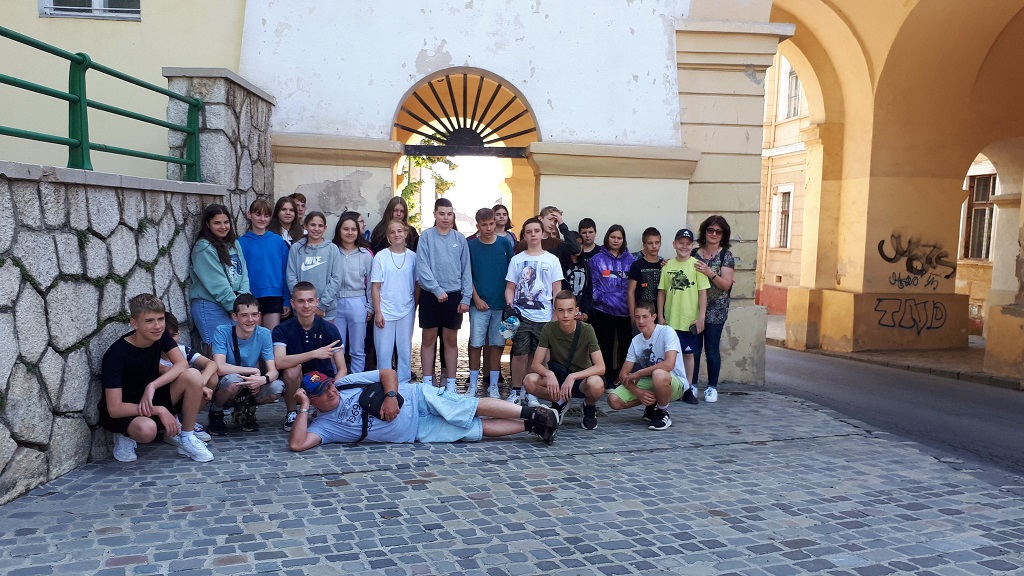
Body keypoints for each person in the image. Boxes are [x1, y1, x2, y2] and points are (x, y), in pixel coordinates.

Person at [287, 369, 560, 450]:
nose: (332, 391)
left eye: (330, 385)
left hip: (417, 397)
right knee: (474, 430)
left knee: (468, 408)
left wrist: (391, 396)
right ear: (312, 400)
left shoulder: (346, 383)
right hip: (416, 431)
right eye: (323, 392)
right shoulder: (324, 426)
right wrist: (303, 408)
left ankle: (533, 413)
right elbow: (298, 444)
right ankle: (535, 425)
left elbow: (387, 372)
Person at [99, 294, 214, 463]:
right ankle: (123, 434)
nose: (158, 326)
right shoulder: (116, 355)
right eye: (149, 321)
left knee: (193, 375)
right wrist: (159, 410)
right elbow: (114, 408)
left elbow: (182, 364)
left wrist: (152, 386)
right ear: (134, 323)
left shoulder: (160, 335)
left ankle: (187, 438)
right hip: (126, 410)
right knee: (147, 431)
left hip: (151, 398)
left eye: (161, 319)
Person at [523, 291, 605, 430]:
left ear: (576, 311)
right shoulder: (549, 328)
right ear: (555, 311)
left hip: (581, 380)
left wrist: (573, 377)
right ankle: (559, 401)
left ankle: (589, 406)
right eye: (561, 310)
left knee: (596, 384)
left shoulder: (587, 330)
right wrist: (549, 374)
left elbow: (600, 367)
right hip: (559, 378)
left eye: (569, 310)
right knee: (529, 381)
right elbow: (536, 364)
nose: (565, 315)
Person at [272, 282, 348, 431]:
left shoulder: (330, 329)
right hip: (295, 381)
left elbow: (342, 368)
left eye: (310, 300)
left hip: (323, 381)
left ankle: (320, 409)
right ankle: (292, 412)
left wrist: (333, 388)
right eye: (301, 301)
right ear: (293, 303)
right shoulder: (282, 329)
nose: (306, 305)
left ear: (317, 301)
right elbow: (279, 362)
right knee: (292, 369)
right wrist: (314, 354)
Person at [505, 217, 563, 407]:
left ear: (542, 233)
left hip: (544, 316)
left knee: (537, 357)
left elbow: (557, 290)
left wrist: (555, 314)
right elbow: (510, 287)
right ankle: (516, 390)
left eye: (536, 231)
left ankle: (531, 391)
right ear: (524, 235)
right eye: (529, 232)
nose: (533, 235)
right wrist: (510, 305)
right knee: (519, 354)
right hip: (521, 315)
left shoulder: (552, 260)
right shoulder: (517, 260)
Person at [416, 198, 473, 393]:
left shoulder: (459, 239)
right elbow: (422, 267)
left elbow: (466, 269)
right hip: (430, 295)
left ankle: (450, 384)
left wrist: (466, 298)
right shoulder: (426, 237)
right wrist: (436, 289)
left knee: (450, 341)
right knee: (428, 339)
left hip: (454, 296)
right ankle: (427, 382)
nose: (446, 218)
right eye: (441, 213)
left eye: (449, 214)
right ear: (434, 214)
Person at [607, 300, 691, 431]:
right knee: (613, 400)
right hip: (649, 381)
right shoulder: (636, 341)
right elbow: (623, 374)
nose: (640, 321)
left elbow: (669, 364)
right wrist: (638, 392)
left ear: (654, 317)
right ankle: (652, 402)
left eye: (645, 317)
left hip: (674, 381)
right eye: (637, 317)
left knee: (658, 374)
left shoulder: (667, 332)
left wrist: (639, 373)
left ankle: (662, 412)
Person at [208, 294, 285, 434]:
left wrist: (262, 379)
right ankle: (216, 411)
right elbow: (219, 367)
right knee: (233, 380)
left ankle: (245, 409)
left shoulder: (264, 334)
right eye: (244, 315)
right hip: (228, 382)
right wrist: (253, 371)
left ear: (259, 315)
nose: (250, 320)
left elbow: (273, 370)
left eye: (254, 315)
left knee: (277, 387)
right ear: (234, 317)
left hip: (251, 383)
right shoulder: (222, 331)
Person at [468, 208, 514, 398]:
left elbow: (512, 273)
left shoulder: (505, 243)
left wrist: (509, 301)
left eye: (491, 224)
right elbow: (467, 275)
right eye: (484, 225)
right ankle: (472, 384)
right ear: (477, 225)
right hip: (479, 305)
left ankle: (493, 384)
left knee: (498, 344)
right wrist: (476, 298)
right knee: (475, 344)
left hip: (501, 305)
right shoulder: (471, 246)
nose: (488, 228)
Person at [189, 204, 250, 347]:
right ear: (207, 224)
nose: (223, 227)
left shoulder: (234, 244)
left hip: (234, 304)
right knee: (219, 351)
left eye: (226, 222)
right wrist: (239, 308)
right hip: (211, 306)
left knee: (237, 350)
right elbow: (217, 285)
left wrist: (245, 302)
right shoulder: (203, 248)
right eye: (217, 223)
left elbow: (243, 274)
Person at [657, 228, 709, 390]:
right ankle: (671, 386)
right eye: (681, 243)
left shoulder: (697, 266)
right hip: (670, 320)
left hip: (689, 320)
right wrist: (661, 316)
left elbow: (702, 293)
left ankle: (689, 386)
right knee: (669, 355)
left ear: (692, 246)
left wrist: (701, 317)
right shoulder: (667, 266)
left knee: (688, 355)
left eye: (688, 243)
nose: (684, 246)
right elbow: (661, 292)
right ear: (674, 244)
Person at [691, 216, 735, 403]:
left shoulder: (726, 255)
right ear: (704, 231)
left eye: (718, 231)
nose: (714, 234)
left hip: (717, 309)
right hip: (694, 307)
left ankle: (711, 387)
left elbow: (726, 285)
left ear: (723, 234)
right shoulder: (694, 253)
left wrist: (710, 273)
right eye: (710, 230)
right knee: (693, 349)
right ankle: (692, 384)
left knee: (711, 349)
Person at [372, 219, 419, 383]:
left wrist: (414, 305)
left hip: (406, 309)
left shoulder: (413, 257)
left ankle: (404, 382)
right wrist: (378, 312)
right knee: (384, 351)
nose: (396, 234)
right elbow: (375, 287)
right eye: (392, 232)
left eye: (400, 231)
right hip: (385, 309)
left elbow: (417, 284)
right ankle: (384, 383)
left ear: (406, 233)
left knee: (404, 349)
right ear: (388, 236)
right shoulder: (381, 257)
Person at [588, 224, 635, 387]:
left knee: (625, 346)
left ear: (623, 240)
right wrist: (605, 298)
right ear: (607, 238)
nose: (616, 240)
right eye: (613, 237)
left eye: (619, 238)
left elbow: (633, 286)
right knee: (606, 345)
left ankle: (622, 377)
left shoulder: (631, 261)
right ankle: (607, 377)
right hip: (603, 310)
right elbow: (592, 285)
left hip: (625, 312)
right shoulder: (597, 260)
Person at [160, 312, 217, 443]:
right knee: (188, 377)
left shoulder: (182, 350)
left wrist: (202, 380)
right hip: (166, 400)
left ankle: (188, 422)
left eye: (174, 335)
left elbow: (211, 363)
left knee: (212, 377)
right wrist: (198, 384)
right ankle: (174, 426)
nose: (170, 340)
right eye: (166, 336)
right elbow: (171, 373)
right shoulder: (154, 354)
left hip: (187, 396)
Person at [238, 198, 290, 331]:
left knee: (271, 336)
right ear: (249, 214)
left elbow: (285, 271)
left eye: (266, 215)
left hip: (274, 295)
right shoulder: (240, 243)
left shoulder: (278, 241)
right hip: (250, 296)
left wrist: (286, 299)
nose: (262, 219)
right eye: (258, 214)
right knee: (252, 336)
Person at [332, 211, 374, 373]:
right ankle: (336, 380)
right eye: (346, 229)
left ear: (358, 231)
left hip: (357, 302)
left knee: (357, 347)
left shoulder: (365, 255)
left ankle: (356, 380)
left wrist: (370, 306)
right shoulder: (332, 251)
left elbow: (371, 283)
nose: (350, 233)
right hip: (335, 303)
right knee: (336, 346)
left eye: (353, 229)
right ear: (339, 230)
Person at [287, 211, 343, 322]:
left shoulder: (332, 249)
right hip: (302, 310)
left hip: (326, 310)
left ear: (325, 228)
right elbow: (291, 277)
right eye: (313, 225)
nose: (316, 229)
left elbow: (336, 279)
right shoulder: (296, 248)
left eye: (320, 226)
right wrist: (302, 302)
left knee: (326, 334)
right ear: (305, 226)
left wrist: (322, 305)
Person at [627, 227, 665, 322]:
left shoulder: (664, 265)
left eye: (657, 242)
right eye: (650, 243)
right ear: (644, 245)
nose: (654, 246)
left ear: (660, 244)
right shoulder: (637, 265)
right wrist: (633, 316)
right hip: (641, 314)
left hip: (659, 314)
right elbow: (630, 291)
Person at [514, 206, 580, 259]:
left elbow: (575, 249)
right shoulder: (526, 242)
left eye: (555, 222)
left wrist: (562, 224)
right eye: (550, 219)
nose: (552, 224)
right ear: (540, 219)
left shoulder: (557, 243)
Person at [559, 239, 593, 323]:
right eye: (575, 244)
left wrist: (585, 311)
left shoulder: (585, 266)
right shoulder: (561, 265)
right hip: (564, 311)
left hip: (581, 310)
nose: (578, 247)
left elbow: (588, 289)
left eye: (580, 244)